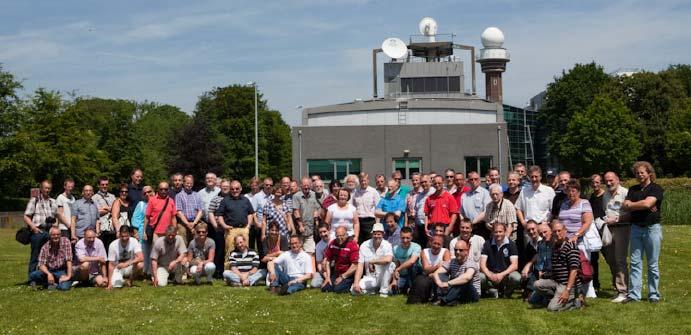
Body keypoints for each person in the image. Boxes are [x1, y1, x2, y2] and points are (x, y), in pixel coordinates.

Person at [622, 161, 663, 304]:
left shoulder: (656, 188)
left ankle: (654, 295)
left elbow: (647, 203)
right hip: (636, 228)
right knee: (635, 263)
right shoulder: (633, 189)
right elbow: (625, 205)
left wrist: (633, 205)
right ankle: (634, 295)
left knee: (652, 264)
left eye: (642, 172)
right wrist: (641, 205)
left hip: (652, 229)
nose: (639, 175)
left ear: (649, 173)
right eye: (637, 173)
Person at [558, 178, 595, 297]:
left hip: (579, 241)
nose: (571, 193)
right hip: (565, 242)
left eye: (573, 191)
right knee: (568, 267)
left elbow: (587, 222)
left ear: (579, 191)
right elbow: (560, 221)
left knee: (583, 268)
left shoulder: (584, 203)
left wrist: (576, 234)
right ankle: (572, 291)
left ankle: (588, 292)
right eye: (569, 191)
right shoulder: (564, 204)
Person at [532, 222, 582, 311]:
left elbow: (574, 270)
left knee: (552, 308)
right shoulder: (555, 247)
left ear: (565, 231)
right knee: (537, 284)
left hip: (567, 284)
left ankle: (575, 301)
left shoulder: (571, 246)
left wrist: (567, 290)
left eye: (559, 231)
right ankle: (556, 297)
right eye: (555, 231)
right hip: (556, 282)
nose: (557, 233)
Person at [602, 171, 630, 303]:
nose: (608, 183)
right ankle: (617, 288)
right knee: (611, 259)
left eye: (611, 180)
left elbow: (632, 213)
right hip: (609, 229)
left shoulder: (625, 193)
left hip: (622, 228)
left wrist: (618, 219)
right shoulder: (605, 194)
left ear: (617, 179)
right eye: (606, 181)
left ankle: (624, 291)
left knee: (620, 260)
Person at [24, 180, 58, 278]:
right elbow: (26, 216)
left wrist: (55, 227)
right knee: (35, 256)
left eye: (49, 188)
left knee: (48, 256)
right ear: (41, 189)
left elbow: (56, 217)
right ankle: (32, 278)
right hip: (38, 231)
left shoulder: (53, 202)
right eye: (45, 188)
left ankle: (45, 277)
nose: (47, 190)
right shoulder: (34, 200)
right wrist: (33, 228)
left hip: (49, 232)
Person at [432, 239, 481, 306]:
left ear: (466, 251)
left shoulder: (471, 262)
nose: (457, 252)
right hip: (456, 290)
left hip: (471, 294)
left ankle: (444, 300)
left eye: (461, 250)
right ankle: (445, 299)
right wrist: (440, 283)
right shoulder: (451, 262)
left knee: (463, 281)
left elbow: (467, 277)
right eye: (456, 250)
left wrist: (448, 283)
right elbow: (436, 273)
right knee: (441, 275)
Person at [351, 223, 394, 297]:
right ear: (372, 234)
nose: (377, 236)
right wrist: (356, 283)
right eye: (375, 234)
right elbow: (360, 266)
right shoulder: (364, 245)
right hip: (370, 278)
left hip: (383, 277)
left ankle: (383, 291)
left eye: (379, 234)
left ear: (383, 234)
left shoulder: (387, 245)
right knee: (354, 290)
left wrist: (372, 261)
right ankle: (372, 291)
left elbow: (388, 259)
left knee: (391, 264)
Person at [479, 222, 520, 298]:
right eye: (496, 232)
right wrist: (490, 275)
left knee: (516, 277)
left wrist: (502, 274)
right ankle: (491, 291)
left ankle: (506, 293)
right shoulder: (487, 244)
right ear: (492, 232)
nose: (498, 234)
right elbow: (482, 264)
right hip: (491, 275)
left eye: (500, 231)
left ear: (505, 232)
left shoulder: (511, 244)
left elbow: (514, 265)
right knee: (480, 277)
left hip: (505, 276)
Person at [216, 180, 254, 257]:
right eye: (232, 189)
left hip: (244, 229)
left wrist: (248, 225)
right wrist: (224, 225)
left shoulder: (245, 200)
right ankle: (228, 268)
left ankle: (245, 268)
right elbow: (219, 215)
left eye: (237, 188)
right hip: (230, 230)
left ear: (241, 189)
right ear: (230, 189)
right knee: (229, 252)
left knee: (245, 251)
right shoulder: (225, 200)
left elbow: (250, 213)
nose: (235, 190)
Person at [407, 235, 450, 303]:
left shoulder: (445, 251)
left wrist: (433, 272)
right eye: (434, 243)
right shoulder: (424, 251)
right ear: (430, 243)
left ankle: (439, 298)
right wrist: (437, 266)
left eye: (439, 244)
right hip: (427, 276)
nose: (436, 246)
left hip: (440, 276)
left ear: (442, 245)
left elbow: (447, 268)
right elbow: (426, 269)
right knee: (420, 280)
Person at [516, 165, 556, 234]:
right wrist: (523, 222)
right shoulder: (524, 191)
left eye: (536, 176)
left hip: (544, 228)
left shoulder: (549, 191)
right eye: (532, 177)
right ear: (529, 177)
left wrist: (547, 222)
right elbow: (518, 208)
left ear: (540, 177)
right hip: (529, 229)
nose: (534, 179)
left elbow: (553, 210)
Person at [321, 226, 359, 293]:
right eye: (337, 236)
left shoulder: (352, 245)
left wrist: (342, 277)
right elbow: (328, 260)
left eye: (341, 236)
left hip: (349, 274)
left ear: (346, 235)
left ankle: (352, 285)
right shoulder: (333, 243)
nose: (339, 238)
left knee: (338, 289)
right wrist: (327, 277)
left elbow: (355, 265)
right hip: (337, 272)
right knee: (325, 288)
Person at [522, 223, 553, 304]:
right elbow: (540, 260)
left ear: (551, 231)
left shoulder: (555, 244)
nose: (543, 235)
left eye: (545, 232)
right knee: (532, 301)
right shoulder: (540, 244)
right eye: (541, 233)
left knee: (545, 301)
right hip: (543, 273)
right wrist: (540, 270)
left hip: (554, 274)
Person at [292, 177, 322, 255]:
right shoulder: (296, 196)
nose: (306, 187)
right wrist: (300, 225)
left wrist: (317, 215)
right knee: (298, 252)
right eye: (304, 185)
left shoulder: (314, 194)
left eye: (308, 185)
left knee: (310, 252)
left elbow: (318, 208)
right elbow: (296, 211)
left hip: (311, 229)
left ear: (311, 185)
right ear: (301, 186)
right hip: (300, 230)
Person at [207, 179, 230, 277]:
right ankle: (218, 271)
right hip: (219, 229)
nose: (225, 188)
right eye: (223, 186)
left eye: (227, 186)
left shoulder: (233, 198)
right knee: (219, 250)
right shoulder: (215, 198)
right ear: (220, 186)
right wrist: (215, 226)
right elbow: (210, 212)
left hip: (230, 228)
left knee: (229, 249)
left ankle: (228, 269)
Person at [390, 227, 421, 295]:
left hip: (414, 275)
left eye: (407, 238)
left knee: (413, 264)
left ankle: (411, 287)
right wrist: (394, 281)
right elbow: (396, 265)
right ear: (400, 237)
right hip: (402, 275)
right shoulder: (395, 249)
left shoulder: (416, 246)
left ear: (411, 237)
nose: (405, 240)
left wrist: (398, 269)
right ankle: (403, 288)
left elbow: (412, 261)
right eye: (403, 238)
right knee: (392, 291)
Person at [351, 172, 380, 244]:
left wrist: (377, 225)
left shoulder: (373, 192)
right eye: (361, 181)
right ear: (359, 182)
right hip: (359, 222)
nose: (363, 182)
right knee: (359, 243)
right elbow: (353, 208)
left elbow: (378, 209)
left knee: (370, 243)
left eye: (365, 180)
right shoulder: (355, 193)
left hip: (370, 221)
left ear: (368, 180)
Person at [131, 185, 153, 274]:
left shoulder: (158, 202)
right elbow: (135, 219)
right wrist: (136, 233)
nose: (147, 194)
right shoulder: (141, 204)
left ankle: (151, 272)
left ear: (153, 191)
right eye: (145, 193)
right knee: (144, 253)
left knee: (153, 251)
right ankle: (144, 272)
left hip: (155, 231)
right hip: (142, 232)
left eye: (149, 191)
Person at [175, 175, 204, 244]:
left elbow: (200, 210)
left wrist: (194, 223)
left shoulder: (196, 195)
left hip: (195, 222)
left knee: (199, 236)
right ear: (183, 183)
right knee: (182, 237)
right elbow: (179, 212)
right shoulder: (179, 196)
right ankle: (183, 253)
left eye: (191, 183)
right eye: (187, 183)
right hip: (184, 223)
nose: (189, 185)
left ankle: (197, 253)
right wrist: (188, 224)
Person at [589, 174, 606, 290]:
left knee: (610, 258)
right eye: (593, 183)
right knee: (593, 259)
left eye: (597, 182)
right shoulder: (591, 197)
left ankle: (618, 284)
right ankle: (595, 284)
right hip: (594, 232)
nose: (595, 185)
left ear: (601, 183)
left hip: (605, 230)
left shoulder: (605, 196)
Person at [408, 174, 434, 247]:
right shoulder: (420, 195)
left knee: (430, 246)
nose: (423, 184)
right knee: (420, 246)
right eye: (422, 182)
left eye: (425, 182)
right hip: (419, 226)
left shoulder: (433, 192)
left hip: (430, 225)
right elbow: (416, 209)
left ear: (430, 182)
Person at [311, 223, 331, 288]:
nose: (323, 234)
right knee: (314, 284)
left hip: (335, 267)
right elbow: (319, 264)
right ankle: (325, 280)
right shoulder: (318, 246)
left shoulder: (335, 239)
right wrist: (326, 276)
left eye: (324, 231)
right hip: (324, 269)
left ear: (329, 230)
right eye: (320, 232)